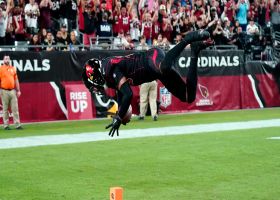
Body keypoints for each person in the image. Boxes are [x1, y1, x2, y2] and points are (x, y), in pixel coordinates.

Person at [82, 30, 212, 137]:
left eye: (92, 83)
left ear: (95, 75)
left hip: (151, 58)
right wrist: (120, 113)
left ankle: (187, 39)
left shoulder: (108, 68)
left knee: (164, 68)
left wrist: (119, 117)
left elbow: (128, 94)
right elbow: (121, 94)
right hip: (156, 73)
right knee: (189, 96)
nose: (94, 87)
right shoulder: (108, 76)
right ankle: (195, 51)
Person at [0, 55, 23, 130]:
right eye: (6, 59)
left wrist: (18, 90)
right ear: (3, 60)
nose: (7, 60)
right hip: (4, 91)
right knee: (5, 109)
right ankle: (6, 125)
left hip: (13, 91)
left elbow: (16, 80)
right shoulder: (1, 69)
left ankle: (17, 124)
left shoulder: (13, 68)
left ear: (9, 60)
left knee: (15, 108)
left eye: (8, 59)